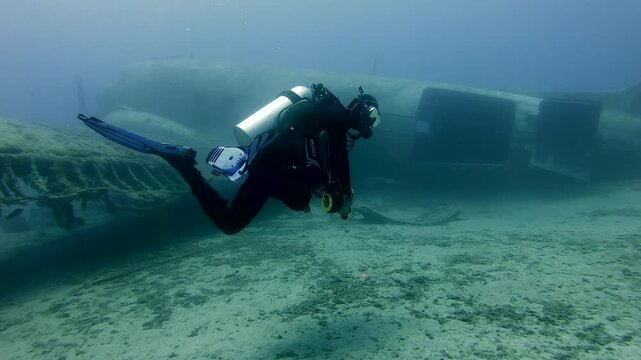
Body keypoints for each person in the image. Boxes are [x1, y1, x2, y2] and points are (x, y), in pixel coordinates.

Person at [78, 83, 380, 234]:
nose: (366, 131)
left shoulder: (323, 111)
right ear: (363, 115)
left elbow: (325, 159)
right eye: (370, 123)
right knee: (305, 193)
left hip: (266, 162)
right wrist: (342, 197)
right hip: (273, 164)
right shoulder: (336, 117)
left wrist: (331, 189)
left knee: (231, 224)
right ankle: (190, 165)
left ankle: (185, 165)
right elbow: (339, 162)